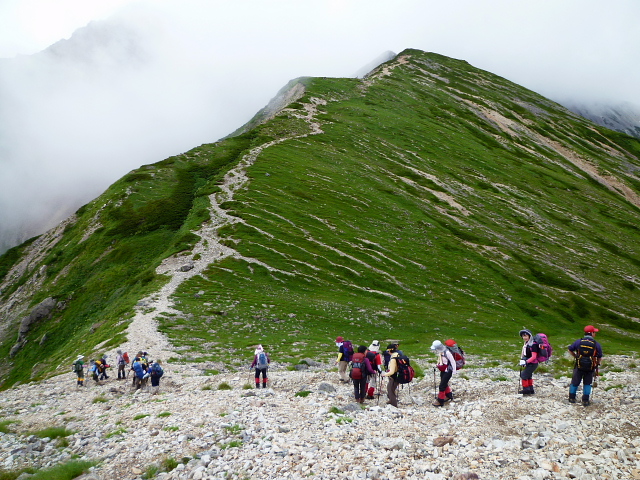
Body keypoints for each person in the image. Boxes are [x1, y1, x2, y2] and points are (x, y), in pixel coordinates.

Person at [568, 325, 603, 406]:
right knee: (587, 383)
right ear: (592, 333)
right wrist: (597, 364)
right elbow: (600, 356)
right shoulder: (596, 344)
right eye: (594, 332)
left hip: (579, 365)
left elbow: (570, 349)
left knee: (575, 382)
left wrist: (576, 356)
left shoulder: (579, 342)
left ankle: (572, 398)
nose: (595, 334)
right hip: (590, 367)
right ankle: (585, 400)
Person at [431, 340, 457, 406]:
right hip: (443, 370)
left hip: (448, 371)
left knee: (442, 386)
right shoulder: (441, 352)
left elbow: (453, 362)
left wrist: (454, 371)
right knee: (444, 383)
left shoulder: (447, 352)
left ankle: (440, 401)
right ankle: (449, 395)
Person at [519, 329, 539, 395]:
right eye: (523, 336)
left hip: (533, 363)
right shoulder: (527, 343)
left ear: (529, 336)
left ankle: (526, 391)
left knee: (523, 375)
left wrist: (526, 362)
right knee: (528, 375)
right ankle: (530, 390)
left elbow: (534, 356)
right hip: (530, 363)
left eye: (526, 336)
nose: (524, 337)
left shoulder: (533, 345)